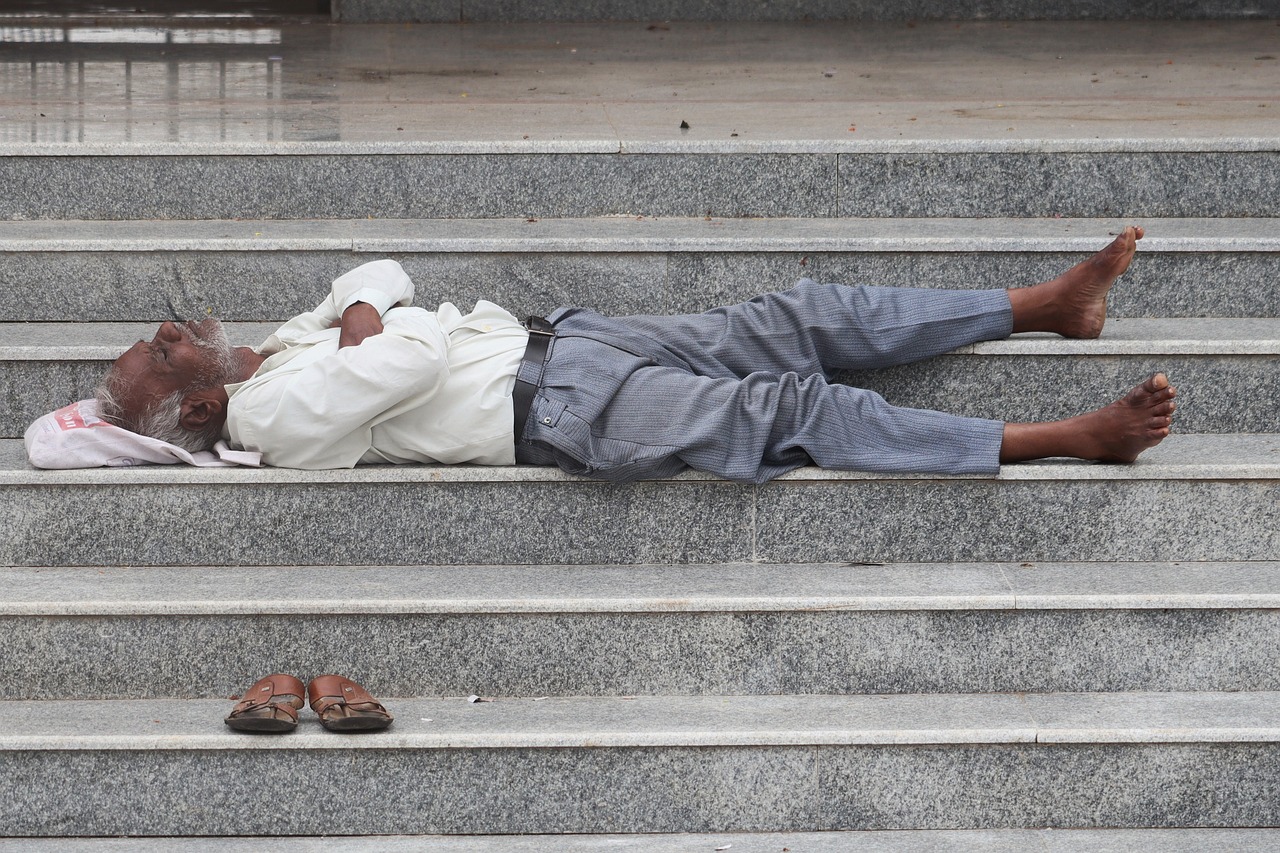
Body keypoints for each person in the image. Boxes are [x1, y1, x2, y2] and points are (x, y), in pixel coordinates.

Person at [94, 226, 1177, 484]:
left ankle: (1041, 305)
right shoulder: (263, 416)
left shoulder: (276, 354)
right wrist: (370, 322)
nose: (178, 329)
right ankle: (1065, 439)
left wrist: (365, 315)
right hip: (560, 414)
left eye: (164, 331)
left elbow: (376, 272)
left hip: (562, 339)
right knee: (790, 405)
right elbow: (406, 347)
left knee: (793, 314)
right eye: (166, 351)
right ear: (191, 411)